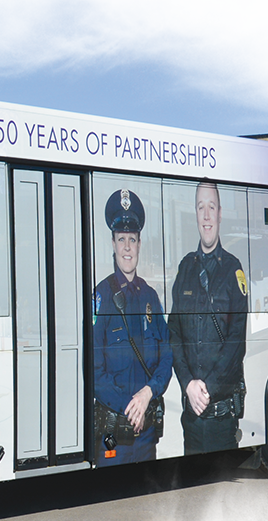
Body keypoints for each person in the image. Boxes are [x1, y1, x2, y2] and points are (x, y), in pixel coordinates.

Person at [92, 189, 172, 465]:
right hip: (115, 433)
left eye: (133, 240)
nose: (127, 247)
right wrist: (130, 407)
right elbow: (94, 372)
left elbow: (167, 355)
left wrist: (148, 393)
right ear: (112, 244)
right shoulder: (100, 299)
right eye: (121, 239)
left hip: (147, 434)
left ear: (140, 244)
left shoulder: (150, 297)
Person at [168, 181, 248, 453]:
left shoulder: (233, 270)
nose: (206, 215)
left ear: (220, 214)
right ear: (195, 214)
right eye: (200, 207)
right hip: (190, 419)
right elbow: (174, 333)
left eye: (211, 207)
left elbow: (236, 341)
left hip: (221, 421)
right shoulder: (185, 268)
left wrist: (207, 389)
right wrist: (188, 384)